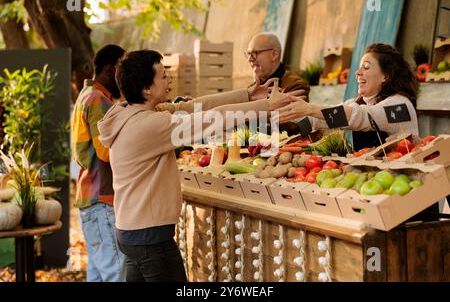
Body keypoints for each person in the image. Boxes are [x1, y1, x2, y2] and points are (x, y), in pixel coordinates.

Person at [97, 50, 300, 282]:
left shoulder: (129, 112)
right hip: (150, 239)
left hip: (132, 233)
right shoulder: (149, 124)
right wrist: (266, 106)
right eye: (163, 76)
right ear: (147, 89)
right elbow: (209, 120)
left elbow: (194, 107)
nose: (169, 80)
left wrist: (247, 94)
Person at [277, 43, 419, 151]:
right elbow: (319, 121)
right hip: (373, 178)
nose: (358, 73)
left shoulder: (400, 106)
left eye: (366, 67)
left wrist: (309, 108)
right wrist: (284, 114)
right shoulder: (358, 102)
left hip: (404, 180)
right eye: (359, 68)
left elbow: (360, 116)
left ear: (386, 75)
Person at [71, 44, 126, 282]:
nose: (124, 79)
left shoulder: (85, 96)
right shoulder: (98, 99)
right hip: (102, 200)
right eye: (121, 71)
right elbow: (106, 152)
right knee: (116, 273)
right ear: (110, 69)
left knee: (98, 273)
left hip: (89, 199)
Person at [246, 32, 310, 98]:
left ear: (274, 55)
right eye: (249, 54)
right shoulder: (251, 89)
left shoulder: (295, 85)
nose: (250, 59)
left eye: (255, 53)